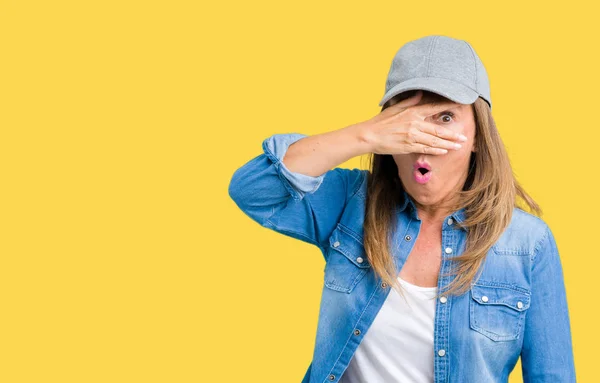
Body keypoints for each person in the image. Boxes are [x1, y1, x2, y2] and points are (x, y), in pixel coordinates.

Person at [228, 35, 575, 383]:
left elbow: (553, 376)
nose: (420, 137)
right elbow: (254, 189)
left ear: (478, 137)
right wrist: (363, 136)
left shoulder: (528, 243)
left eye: (444, 117)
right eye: (405, 119)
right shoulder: (351, 203)